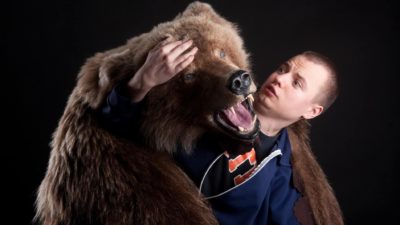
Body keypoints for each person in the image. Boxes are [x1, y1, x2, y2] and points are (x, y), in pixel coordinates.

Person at [99, 38, 344, 225]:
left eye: (297, 83)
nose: (281, 79)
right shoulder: (213, 97)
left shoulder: (285, 170)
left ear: (312, 111)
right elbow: (111, 136)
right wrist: (143, 81)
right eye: (283, 69)